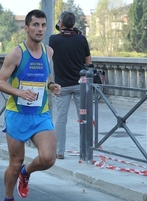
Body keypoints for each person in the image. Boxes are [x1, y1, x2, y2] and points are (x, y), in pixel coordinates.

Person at [0, 9, 61, 201]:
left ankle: (27, 173)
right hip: (18, 114)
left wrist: (50, 85)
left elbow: (43, 76)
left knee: (48, 158)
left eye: (43, 25)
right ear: (27, 28)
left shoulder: (48, 52)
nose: (40, 29)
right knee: (15, 162)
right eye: (35, 25)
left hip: (40, 114)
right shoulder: (17, 53)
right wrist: (19, 92)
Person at [49, 11, 91, 159]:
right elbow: (88, 61)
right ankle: (86, 150)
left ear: (60, 23)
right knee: (84, 118)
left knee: (60, 118)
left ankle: (59, 151)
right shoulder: (81, 39)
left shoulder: (53, 40)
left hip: (61, 85)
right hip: (80, 84)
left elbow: (50, 55)